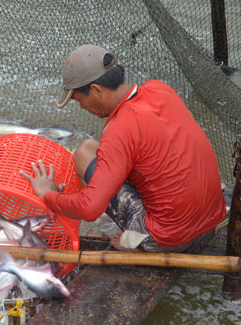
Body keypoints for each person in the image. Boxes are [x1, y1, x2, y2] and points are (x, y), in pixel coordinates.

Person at [21, 44, 226, 252]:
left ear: (96, 90)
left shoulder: (120, 128)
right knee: (92, 148)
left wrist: (49, 195)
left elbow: (90, 208)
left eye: (78, 100)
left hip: (169, 239)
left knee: (84, 155)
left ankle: (139, 242)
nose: (81, 107)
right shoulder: (159, 89)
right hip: (210, 220)